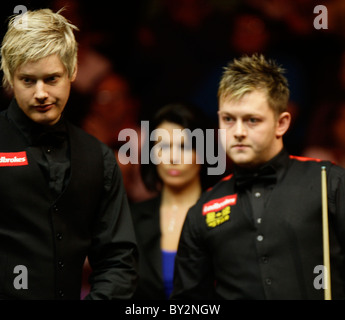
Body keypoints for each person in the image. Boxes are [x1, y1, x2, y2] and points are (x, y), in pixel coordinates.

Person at [171, 54, 345, 300]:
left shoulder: (329, 182)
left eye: (252, 120)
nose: (238, 132)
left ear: (281, 123)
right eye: (228, 119)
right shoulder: (203, 210)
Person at [0, 9, 138, 300]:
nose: (41, 93)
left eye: (51, 79)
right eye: (27, 80)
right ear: (10, 77)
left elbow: (117, 259)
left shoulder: (97, 157)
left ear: (72, 71)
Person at [130, 103, 209, 299]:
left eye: (184, 146)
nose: (172, 157)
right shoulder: (131, 218)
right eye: (162, 146)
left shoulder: (224, 215)